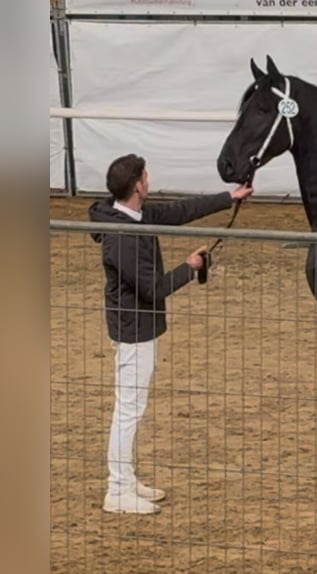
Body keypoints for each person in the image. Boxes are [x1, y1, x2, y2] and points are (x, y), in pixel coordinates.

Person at [88, 153, 253, 514]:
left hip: (139, 327)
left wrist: (229, 198)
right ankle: (117, 489)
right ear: (138, 186)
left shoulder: (133, 215)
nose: (149, 180)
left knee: (132, 407)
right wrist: (190, 268)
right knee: (128, 410)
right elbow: (154, 289)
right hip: (134, 331)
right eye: (146, 176)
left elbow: (179, 212)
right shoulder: (124, 236)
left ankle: (127, 481)